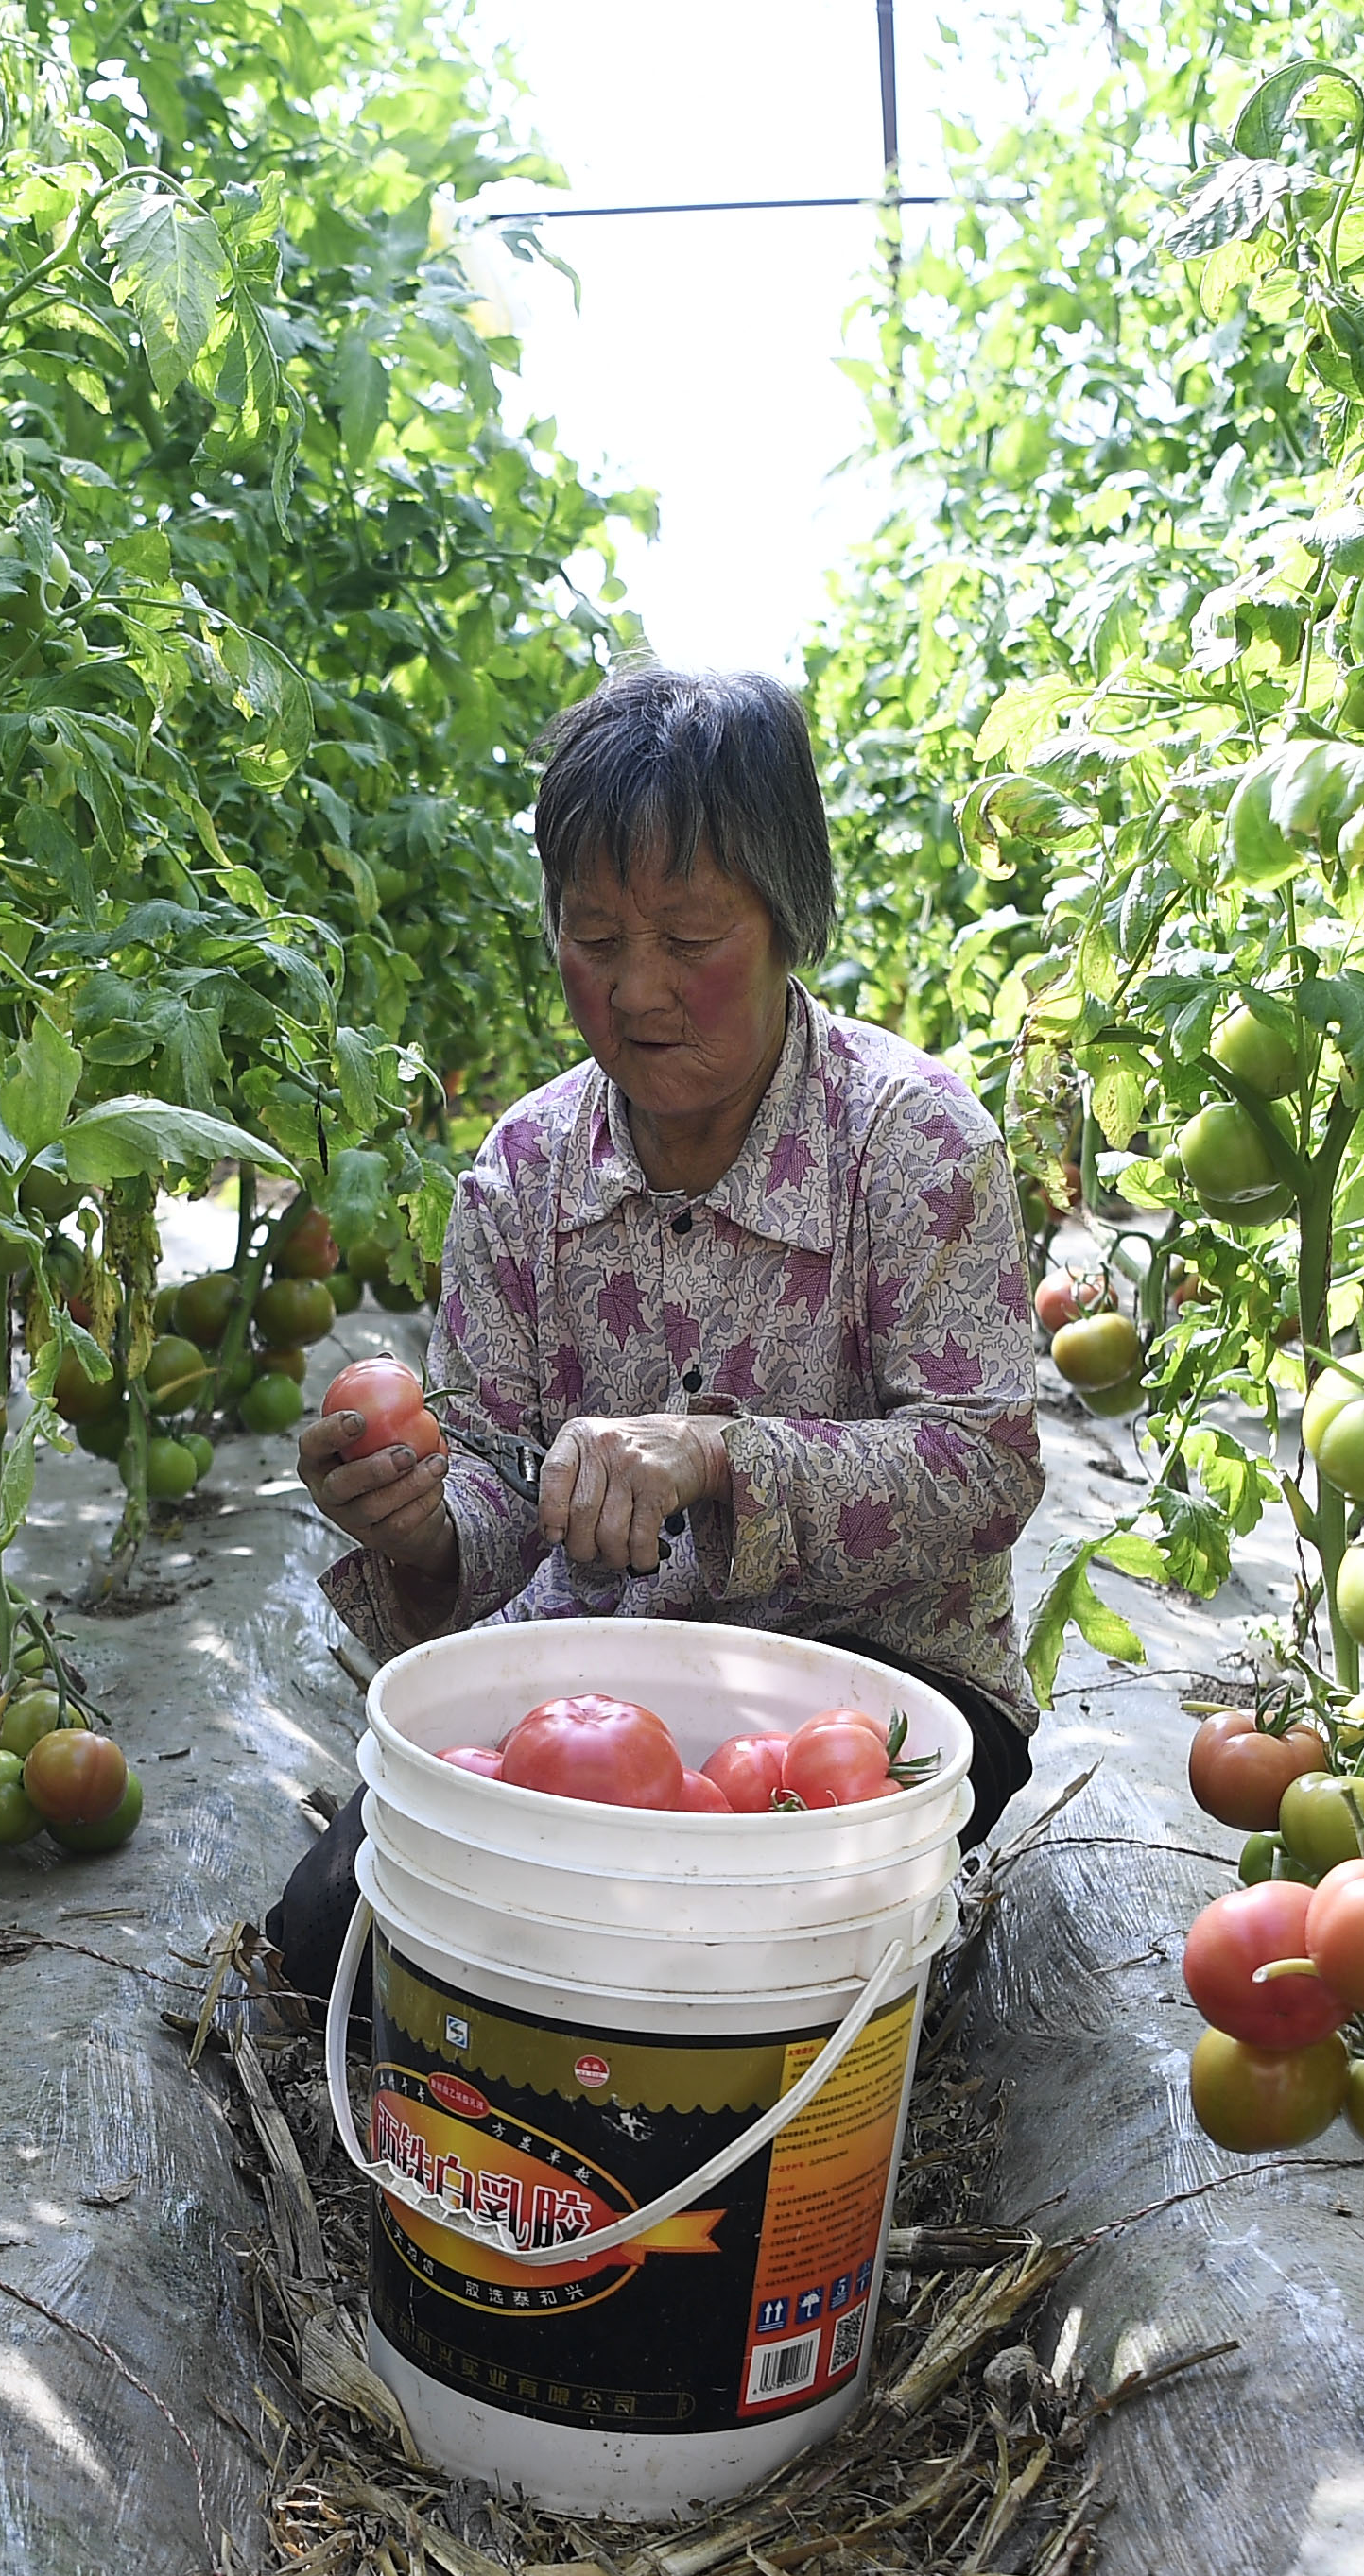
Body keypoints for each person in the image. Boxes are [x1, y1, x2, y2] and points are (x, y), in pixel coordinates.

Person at [270, 664, 1047, 2001]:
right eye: (593, 938)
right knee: (322, 1938)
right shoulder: (523, 1174)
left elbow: (985, 1468)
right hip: (596, 1675)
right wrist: (419, 1523)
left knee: (687, 1949)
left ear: (789, 920)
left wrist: (721, 1458)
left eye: (688, 941)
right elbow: (494, 1478)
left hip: (871, 1686)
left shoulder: (913, 1144)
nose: (635, 991)